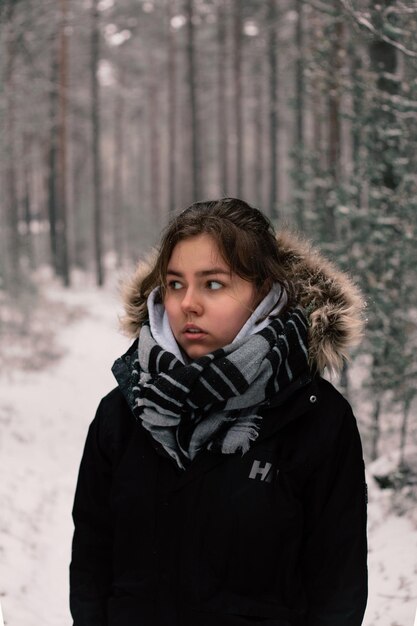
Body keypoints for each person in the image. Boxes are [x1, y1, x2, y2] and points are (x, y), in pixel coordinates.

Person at [70, 198, 368, 626]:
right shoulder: (123, 411)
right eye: (175, 284)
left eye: (212, 284)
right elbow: (91, 572)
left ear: (264, 293)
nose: (188, 303)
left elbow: (337, 592)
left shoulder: (315, 418)